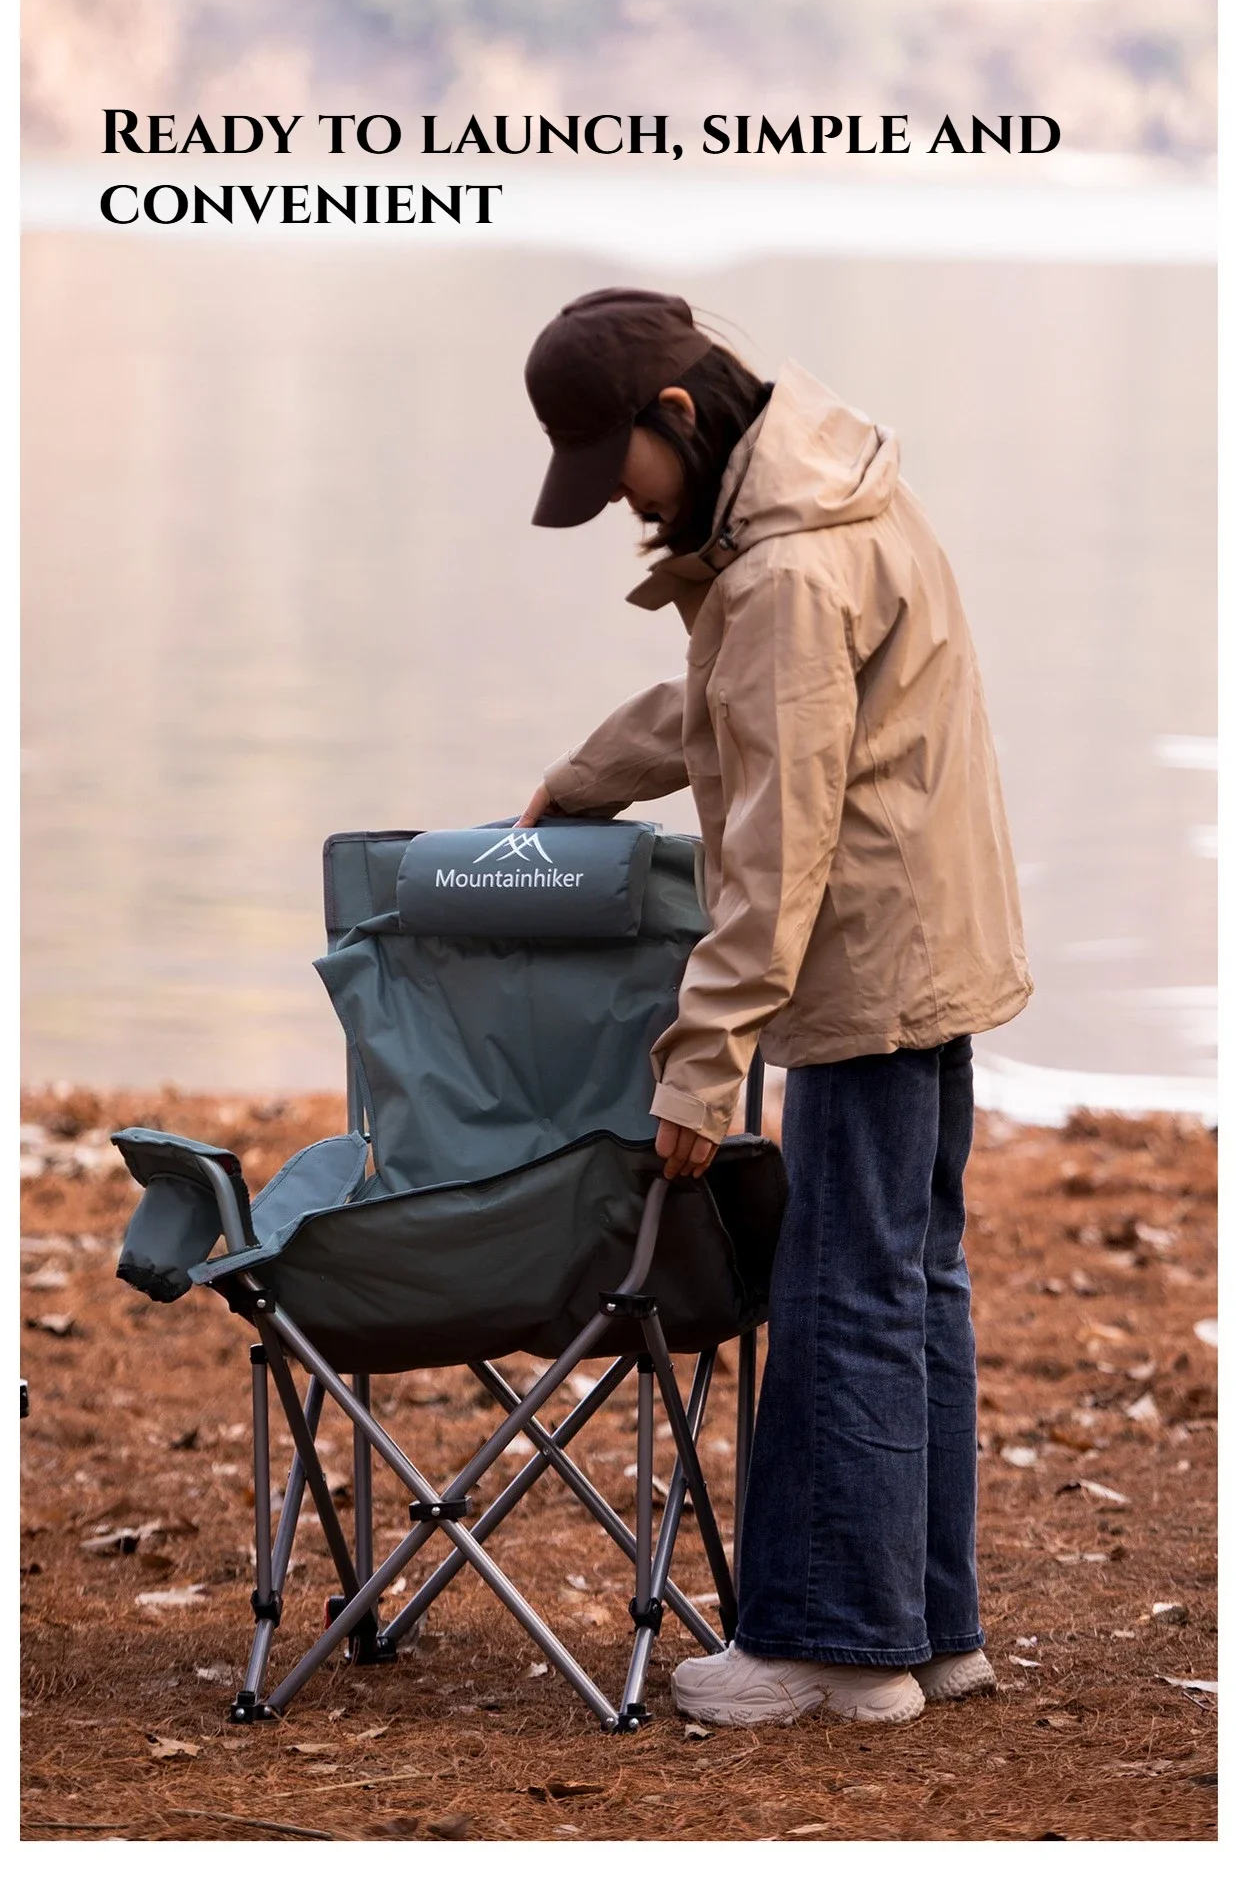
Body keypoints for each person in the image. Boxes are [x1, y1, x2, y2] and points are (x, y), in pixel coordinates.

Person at [518, 287, 1032, 1728]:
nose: (620, 504)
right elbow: (740, 710)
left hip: (865, 971)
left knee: (838, 1297)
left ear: (675, 418)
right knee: (909, 1281)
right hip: (931, 951)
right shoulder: (830, 502)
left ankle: (837, 1643)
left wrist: (699, 1070)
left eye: (617, 466)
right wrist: (594, 773)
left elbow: (778, 845)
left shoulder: (784, 577)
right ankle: (929, 1627)